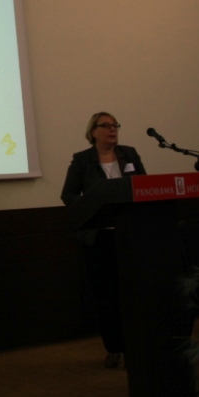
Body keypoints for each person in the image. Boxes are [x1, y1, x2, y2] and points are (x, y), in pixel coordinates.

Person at [61, 111, 146, 368]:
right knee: (106, 294)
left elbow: (143, 186)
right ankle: (114, 347)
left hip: (129, 234)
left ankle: (136, 347)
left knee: (133, 293)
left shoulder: (129, 154)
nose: (113, 129)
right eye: (106, 125)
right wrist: (89, 208)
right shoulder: (82, 160)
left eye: (115, 125)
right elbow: (68, 194)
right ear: (93, 132)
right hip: (99, 238)